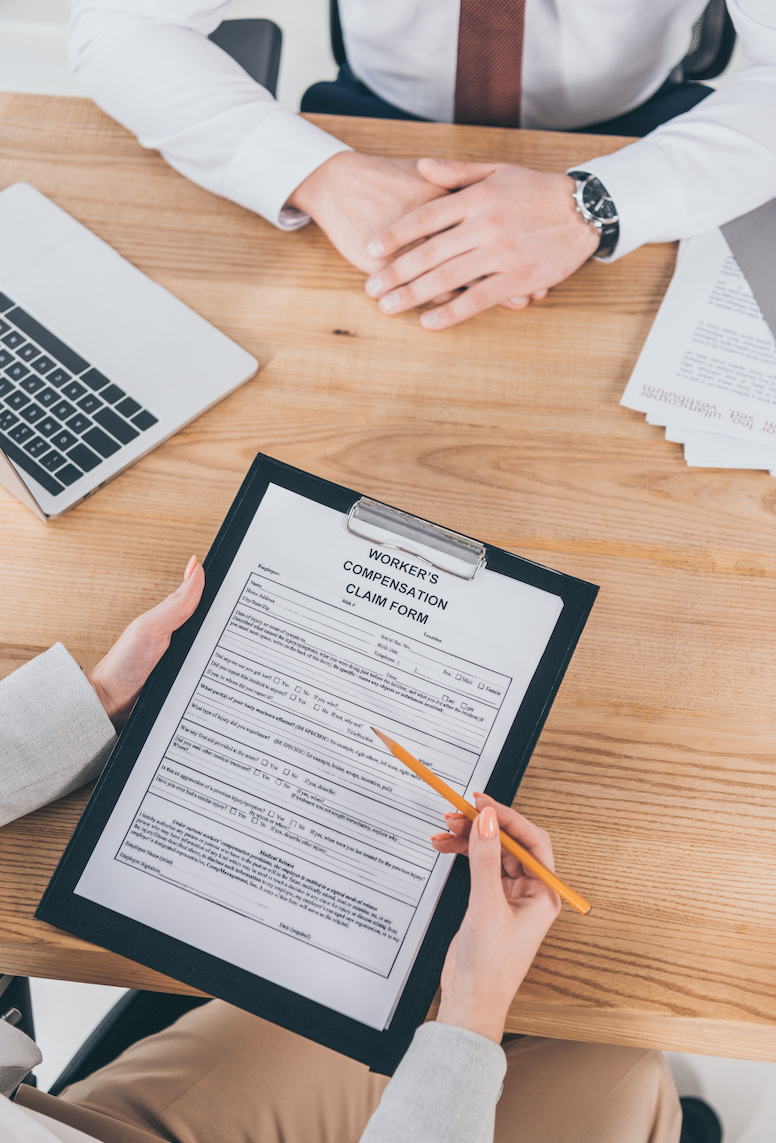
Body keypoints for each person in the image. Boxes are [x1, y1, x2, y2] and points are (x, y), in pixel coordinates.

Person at [0, 559, 685, 1142]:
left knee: (389, 998)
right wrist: (475, 1005)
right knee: (629, 1077)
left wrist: (99, 699)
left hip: (75, 1125)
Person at [68, 1, 776, 332]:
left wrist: (593, 204)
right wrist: (321, 175)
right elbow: (116, 23)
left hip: (637, 135)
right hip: (379, 126)